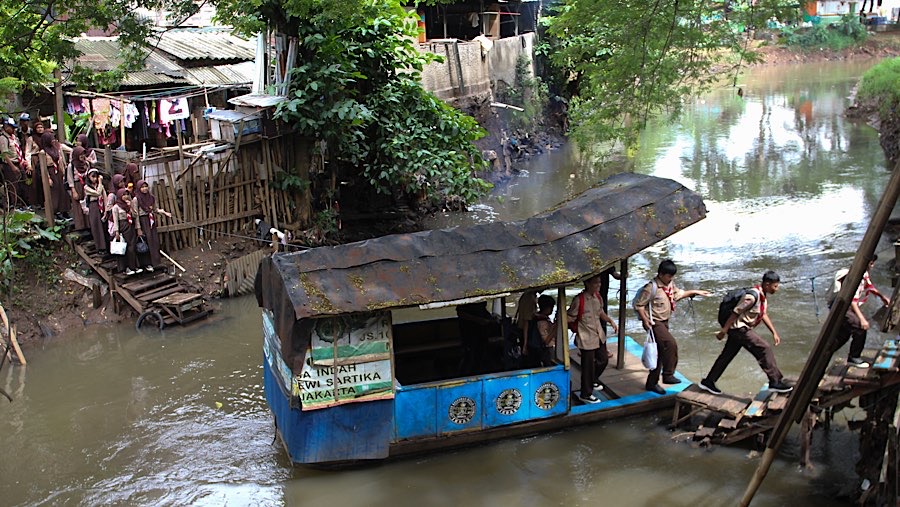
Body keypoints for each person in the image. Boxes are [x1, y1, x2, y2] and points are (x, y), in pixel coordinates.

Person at [699, 271, 793, 395]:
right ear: (767, 284)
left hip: (739, 329)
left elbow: (762, 314)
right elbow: (735, 312)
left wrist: (774, 332)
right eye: (775, 286)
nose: (777, 289)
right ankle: (775, 382)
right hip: (739, 329)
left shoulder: (762, 296)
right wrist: (724, 330)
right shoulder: (752, 297)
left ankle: (709, 381)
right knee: (764, 348)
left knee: (727, 355)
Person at [633, 260, 711, 395]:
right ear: (661, 274)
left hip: (665, 322)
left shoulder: (669, 285)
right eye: (669, 276)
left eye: (672, 276)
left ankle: (652, 382)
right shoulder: (651, 288)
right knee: (670, 344)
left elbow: (677, 295)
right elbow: (639, 305)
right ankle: (668, 375)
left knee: (660, 352)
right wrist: (645, 320)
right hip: (654, 322)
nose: (671, 279)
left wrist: (695, 292)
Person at [831, 256, 891, 368]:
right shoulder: (856, 278)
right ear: (866, 263)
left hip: (845, 304)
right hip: (843, 305)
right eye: (871, 263)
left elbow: (870, 286)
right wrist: (862, 320)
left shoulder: (864, 273)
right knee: (860, 327)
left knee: (845, 334)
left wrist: (882, 296)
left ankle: (827, 351)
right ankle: (854, 358)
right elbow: (852, 302)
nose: (873, 266)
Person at [568, 274, 618, 404]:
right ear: (588, 284)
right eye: (596, 283)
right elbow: (571, 316)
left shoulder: (598, 297)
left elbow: (600, 312)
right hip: (586, 337)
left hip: (598, 334)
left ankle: (592, 380)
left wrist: (610, 321)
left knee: (603, 360)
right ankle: (586, 393)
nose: (599, 285)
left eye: (599, 282)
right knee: (587, 366)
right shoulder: (579, 300)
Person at [133, 180, 171, 270]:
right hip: (143, 221)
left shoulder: (151, 197)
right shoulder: (136, 199)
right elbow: (136, 215)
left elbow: (155, 209)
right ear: (139, 188)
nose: (144, 188)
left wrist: (164, 212)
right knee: (146, 241)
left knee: (154, 240)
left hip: (151, 221)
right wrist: (138, 228)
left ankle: (155, 262)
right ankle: (146, 264)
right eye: (142, 187)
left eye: (146, 186)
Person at [457, 301, 499, 376]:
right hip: (469, 333)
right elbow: (460, 313)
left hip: (482, 333)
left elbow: (483, 310)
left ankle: (478, 375)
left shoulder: (480, 300)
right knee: (469, 357)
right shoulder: (465, 299)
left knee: (480, 356)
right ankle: (464, 377)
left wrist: (490, 318)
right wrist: (479, 320)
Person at [110, 188, 141, 275]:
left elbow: (135, 215)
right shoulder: (116, 207)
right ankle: (126, 268)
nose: (125, 196)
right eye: (123, 195)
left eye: (127, 194)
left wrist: (130, 206)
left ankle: (134, 266)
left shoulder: (128, 205)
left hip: (130, 226)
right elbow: (115, 220)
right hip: (122, 227)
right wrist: (116, 231)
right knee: (124, 248)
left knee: (132, 247)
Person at [39, 131, 70, 220]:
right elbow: (43, 167)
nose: (53, 141)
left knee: (62, 191)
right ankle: (56, 211)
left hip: (58, 172)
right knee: (55, 192)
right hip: (51, 171)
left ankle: (64, 210)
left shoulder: (55, 148)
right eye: (51, 139)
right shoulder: (43, 152)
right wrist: (48, 178)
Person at [0, 117, 25, 209]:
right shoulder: (3, 138)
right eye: (11, 127)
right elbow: (4, 154)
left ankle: (21, 204)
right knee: (13, 185)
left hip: (18, 162)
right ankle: (15, 205)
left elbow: (18, 149)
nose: (13, 129)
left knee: (21, 184)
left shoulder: (14, 137)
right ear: (6, 126)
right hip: (10, 164)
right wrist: (12, 167)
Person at [527, 294, 558, 368]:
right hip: (546, 351)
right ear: (547, 308)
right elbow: (546, 341)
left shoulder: (538, 317)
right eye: (552, 307)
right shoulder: (542, 322)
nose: (552, 309)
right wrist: (555, 328)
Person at [83, 168, 108, 255]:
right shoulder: (86, 187)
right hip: (93, 207)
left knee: (104, 226)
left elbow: (104, 197)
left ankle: (106, 246)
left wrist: (106, 210)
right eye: (92, 177)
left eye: (96, 177)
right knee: (96, 226)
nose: (94, 179)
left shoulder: (101, 186)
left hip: (101, 206)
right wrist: (100, 183)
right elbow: (97, 193)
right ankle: (100, 247)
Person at [67, 146, 90, 230]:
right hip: (77, 186)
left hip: (86, 185)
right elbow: (70, 179)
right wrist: (73, 191)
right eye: (80, 154)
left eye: (83, 154)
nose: (82, 156)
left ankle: (88, 224)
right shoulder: (71, 166)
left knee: (86, 203)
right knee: (78, 205)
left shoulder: (86, 164)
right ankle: (80, 226)